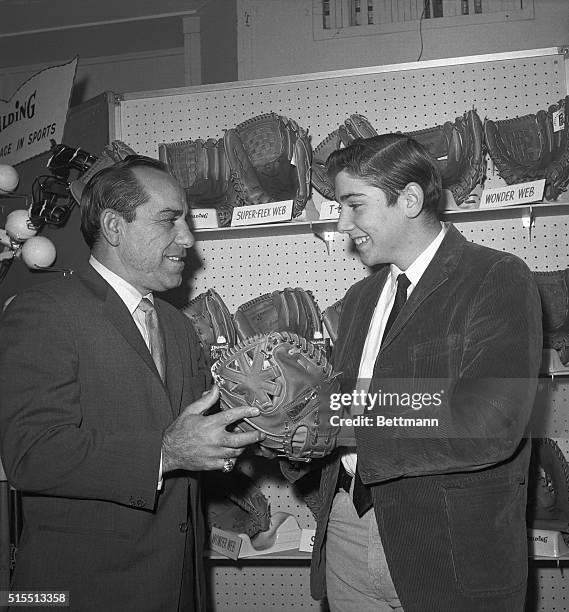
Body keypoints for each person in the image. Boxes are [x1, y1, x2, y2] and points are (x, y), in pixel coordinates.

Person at [0, 156, 265, 611]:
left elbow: (201, 438)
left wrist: (275, 425)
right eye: (169, 221)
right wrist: (166, 453)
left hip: (178, 585)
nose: (187, 239)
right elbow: (31, 453)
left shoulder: (177, 326)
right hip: (82, 590)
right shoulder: (43, 309)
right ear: (114, 226)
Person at [302, 135, 543, 611]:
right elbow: (338, 408)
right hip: (348, 527)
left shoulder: (497, 277)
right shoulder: (359, 300)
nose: (342, 223)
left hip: (447, 546)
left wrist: (354, 423)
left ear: (409, 199)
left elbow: (489, 419)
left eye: (354, 205)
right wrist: (294, 429)